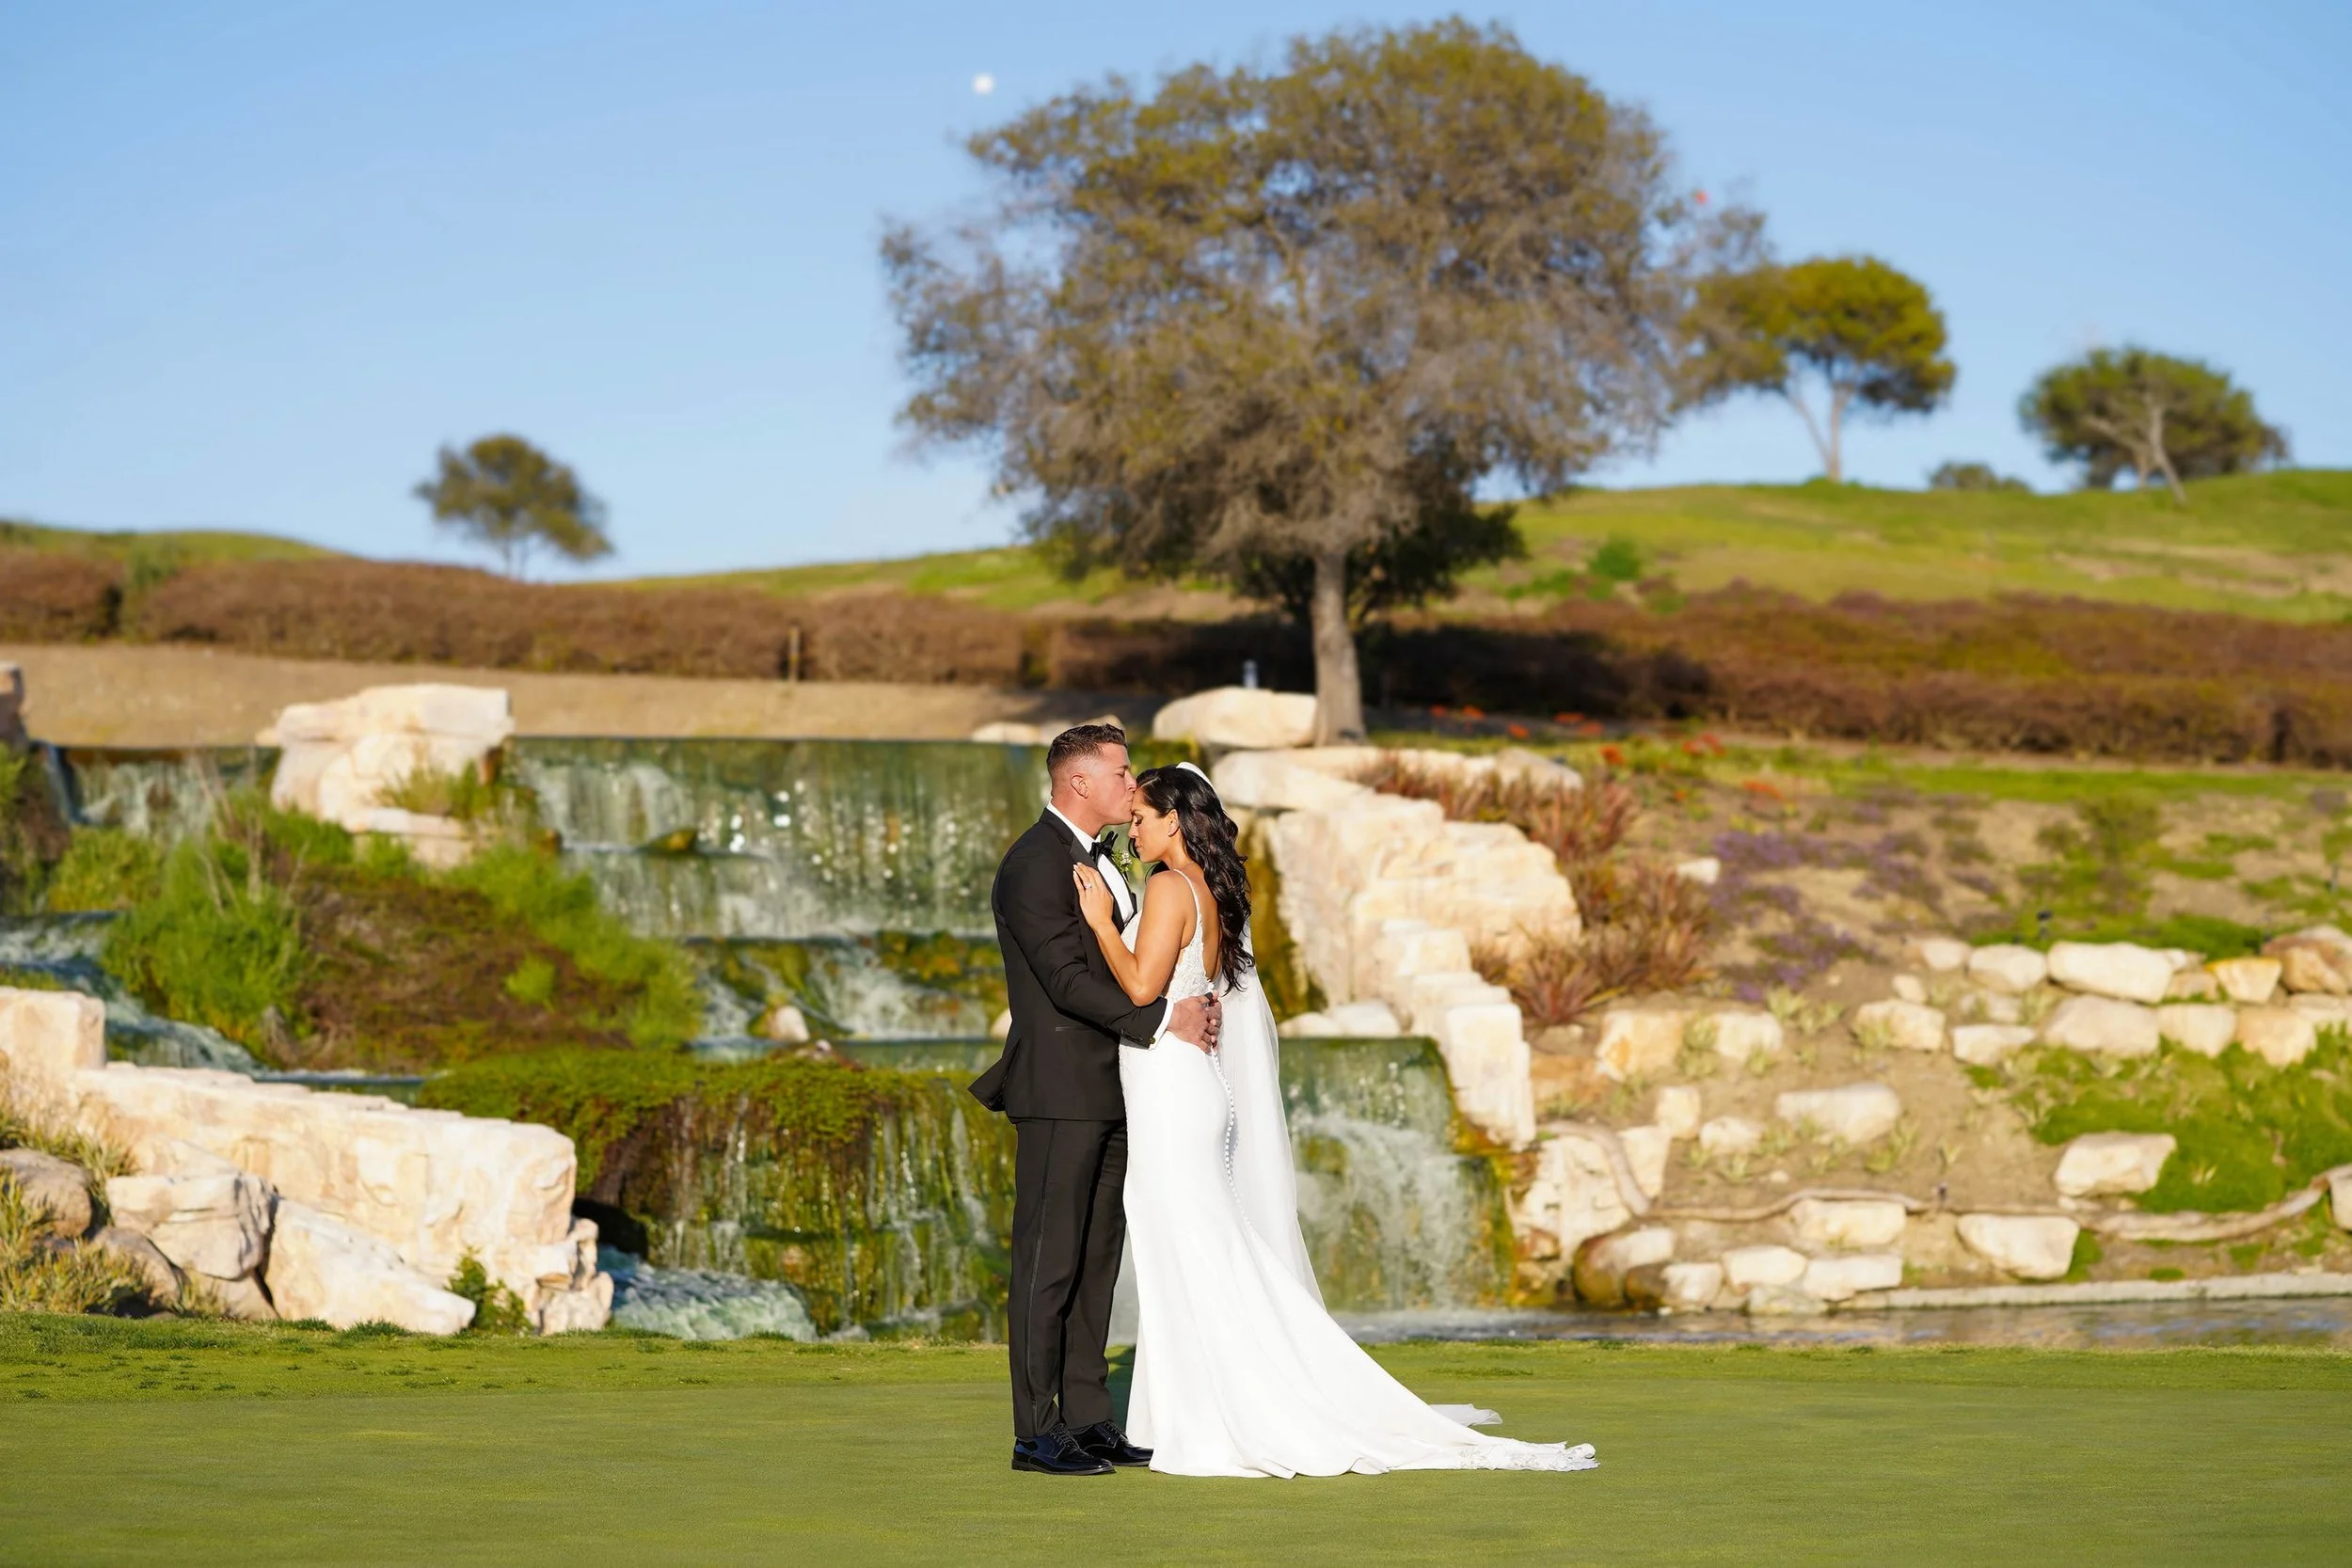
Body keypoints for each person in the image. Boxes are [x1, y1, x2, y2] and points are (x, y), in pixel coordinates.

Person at [1071, 761, 1599, 1479]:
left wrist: (1103, 921)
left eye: (1143, 816)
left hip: (1171, 1084)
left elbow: (1138, 984)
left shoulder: (1167, 886)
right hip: (1189, 1083)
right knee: (1197, 1248)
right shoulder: (1208, 889)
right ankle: (1187, 1411)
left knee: (1190, 1249)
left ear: (1174, 820)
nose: (1132, 825)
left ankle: (1213, 1414)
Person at [972, 722, 1221, 1477]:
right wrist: (1160, 1018)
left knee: (1095, 1260)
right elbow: (1065, 981)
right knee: (1047, 1262)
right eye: (1120, 769)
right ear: (1079, 782)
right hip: (1060, 1092)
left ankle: (1088, 1417)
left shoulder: (1103, 861)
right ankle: (1035, 1431)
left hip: (1121, 1087)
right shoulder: (1031, 864)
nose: (1131, 780)